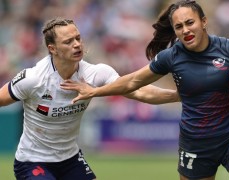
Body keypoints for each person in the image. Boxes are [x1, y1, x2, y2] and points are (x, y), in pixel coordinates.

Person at [61, 1, 229, 180]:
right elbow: (132, 82)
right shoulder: (172, 56)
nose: (186, 30)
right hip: (195, 143)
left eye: (190, 22)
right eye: (179, 26)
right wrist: (95, 91)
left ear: (204, 21)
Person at [0, 17, 180, 180]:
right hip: (32, 161)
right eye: (68, 41)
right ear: (52, 49)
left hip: (69, 159)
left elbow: (141, 92)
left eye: (78, 38)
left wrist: (180, 96)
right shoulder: (33, 79)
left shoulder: (96, 74)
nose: (77, 44)